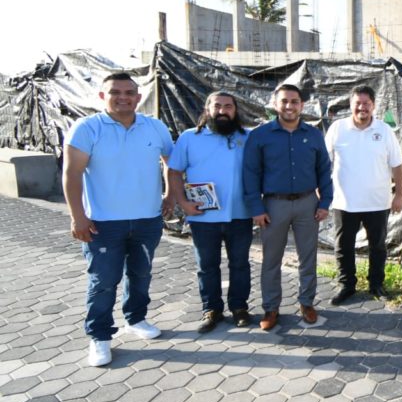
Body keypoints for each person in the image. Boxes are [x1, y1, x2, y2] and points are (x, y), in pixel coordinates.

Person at [63, 72, 174, 367]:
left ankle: (135, 319)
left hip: (147, 220)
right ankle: (99, 336)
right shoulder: (87, 128)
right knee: (103, 281)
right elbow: (72, 174)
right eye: (115, 92)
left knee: (141, 274)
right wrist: (78, 217)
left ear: (138, 97)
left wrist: (170, 194)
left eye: (129, 92)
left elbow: (170, 162)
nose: (123, 97)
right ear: (103, 96)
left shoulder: (155, 127)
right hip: (103, 223)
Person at [242, 84, 332, 331]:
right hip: (273, 205)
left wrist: (325, 202)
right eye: (284, 101)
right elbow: (250, 173)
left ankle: (307, 303)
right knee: (271, 259)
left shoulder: (313, 135)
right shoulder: (260, 135)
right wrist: (256, 208)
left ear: (302, 105)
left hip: (307, 204)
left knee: (308, 257)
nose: (289, 106)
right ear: (275, 104)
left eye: (294, 101)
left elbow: (324, 169)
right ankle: (271, 308)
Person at [168, 92, 253, 334]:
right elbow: (174, 172)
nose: (223, 111)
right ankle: (211, 309)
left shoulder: (247, 137)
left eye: (228, 106)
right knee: (207, 265)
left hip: (240, 214)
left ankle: (239, 308)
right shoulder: (189, 137)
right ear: (207, 110)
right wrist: (183, 203)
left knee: (240, 264)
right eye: (217, 106)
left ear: (235, 110)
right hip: (202, 216)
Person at [326, 85, 402, 304]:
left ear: (374, 105)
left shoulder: (384, 131)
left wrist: (399, 195)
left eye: (367, 104)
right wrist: (320, 190)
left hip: (377, 202)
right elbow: (324, 162)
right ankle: (346, 285)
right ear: (350, 105)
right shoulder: (337, 129)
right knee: (343, 247)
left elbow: (397, 165)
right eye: (358, 103)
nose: (362, 108)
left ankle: (376, 284)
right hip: (344, 201)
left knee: (377, 246)